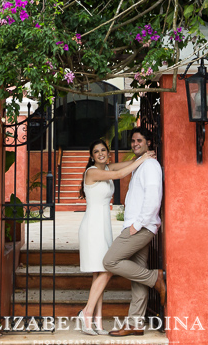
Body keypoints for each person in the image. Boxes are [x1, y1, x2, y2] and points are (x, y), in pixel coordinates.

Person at [75, 138, 155, 336]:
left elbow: (128, 163)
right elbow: (120, 174)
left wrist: (144, 156)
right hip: (92, 227)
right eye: (96, 151)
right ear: (91, 156)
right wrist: (143, 157)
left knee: (100, 272)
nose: (100, 153)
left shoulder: (107, 167)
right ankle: (86, 312)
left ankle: (98, 322)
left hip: (104, 227)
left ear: (108, 153)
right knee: (106, 269)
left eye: (103, 150)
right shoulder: (92, 172)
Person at [101, 127, 166, 337]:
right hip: (136, 225)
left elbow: (153, 197)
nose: (135, 144)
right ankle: (135, 323)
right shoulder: (141, 164)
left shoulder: (151, 166)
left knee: (110, 261)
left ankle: (155, 278)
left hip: (141, 227)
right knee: (137, 275)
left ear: (148, 143)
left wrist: (137, 225)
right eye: (133, 141)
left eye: (139, 140)